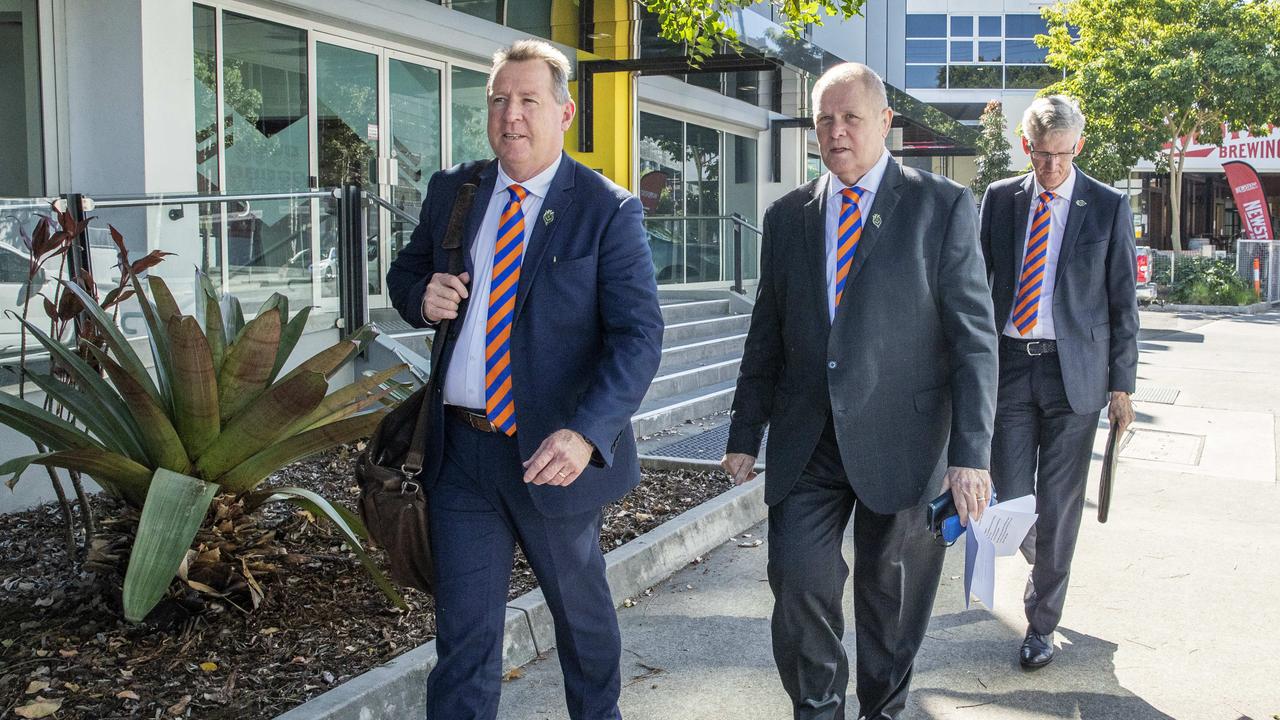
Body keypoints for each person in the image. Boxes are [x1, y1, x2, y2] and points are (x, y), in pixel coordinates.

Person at [386, 39, 663, 720]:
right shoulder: (457, 191)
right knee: (465, 641)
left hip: (552, 458)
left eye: (528, 100)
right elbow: (404, 274)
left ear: (565, 112)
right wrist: (422, 296)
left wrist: (585, 434)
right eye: (499, 100)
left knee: (583, 627)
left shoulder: (607, 209)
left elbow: (638, 337)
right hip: (463, 458)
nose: (511, 115)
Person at [721, 62, 999, 720]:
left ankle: (883, 711)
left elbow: (973, 339)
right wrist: (742, 433)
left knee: (891, 609)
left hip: (908, 443)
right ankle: (818, 711)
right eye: (825, 119)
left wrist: (972, 453)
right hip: (808, 443)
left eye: (851, 118)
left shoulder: (941, 207)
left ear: (884, 123)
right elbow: (767, 333)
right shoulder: (788, 216)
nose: (837, 132)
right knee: (797, 586)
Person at [979, 95, 1138, 669]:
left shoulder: (1108, 205)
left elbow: (1124, 301)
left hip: (1079, 377)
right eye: (1041, 155)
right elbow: (976, 285)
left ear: (1080, 145)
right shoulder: (999, 200)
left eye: (1061, 155)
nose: (1050, 167)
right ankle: (1043, 558)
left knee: (1061, 504)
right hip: (1011, 365)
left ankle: (1041, 623)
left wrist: (1123, 386)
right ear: (1026, 146)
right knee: (1015, 498)